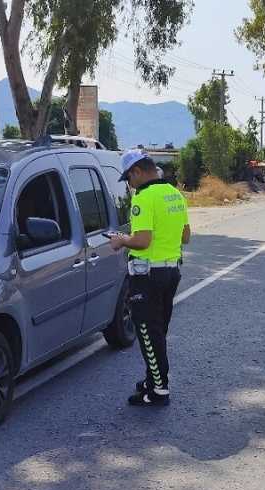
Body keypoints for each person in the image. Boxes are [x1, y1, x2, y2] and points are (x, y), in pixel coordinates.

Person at [107, 149, 191, 407]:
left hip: (148, 275)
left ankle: (158, 390)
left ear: (137, 172)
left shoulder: (143, 198)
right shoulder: (174, 194)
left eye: (128, 179)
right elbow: (185, 236)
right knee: (158, 330)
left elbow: (142, 241)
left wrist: (121, 240)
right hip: (171, 272)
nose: (129, 185)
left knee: (146, 331)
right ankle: (153, 379)